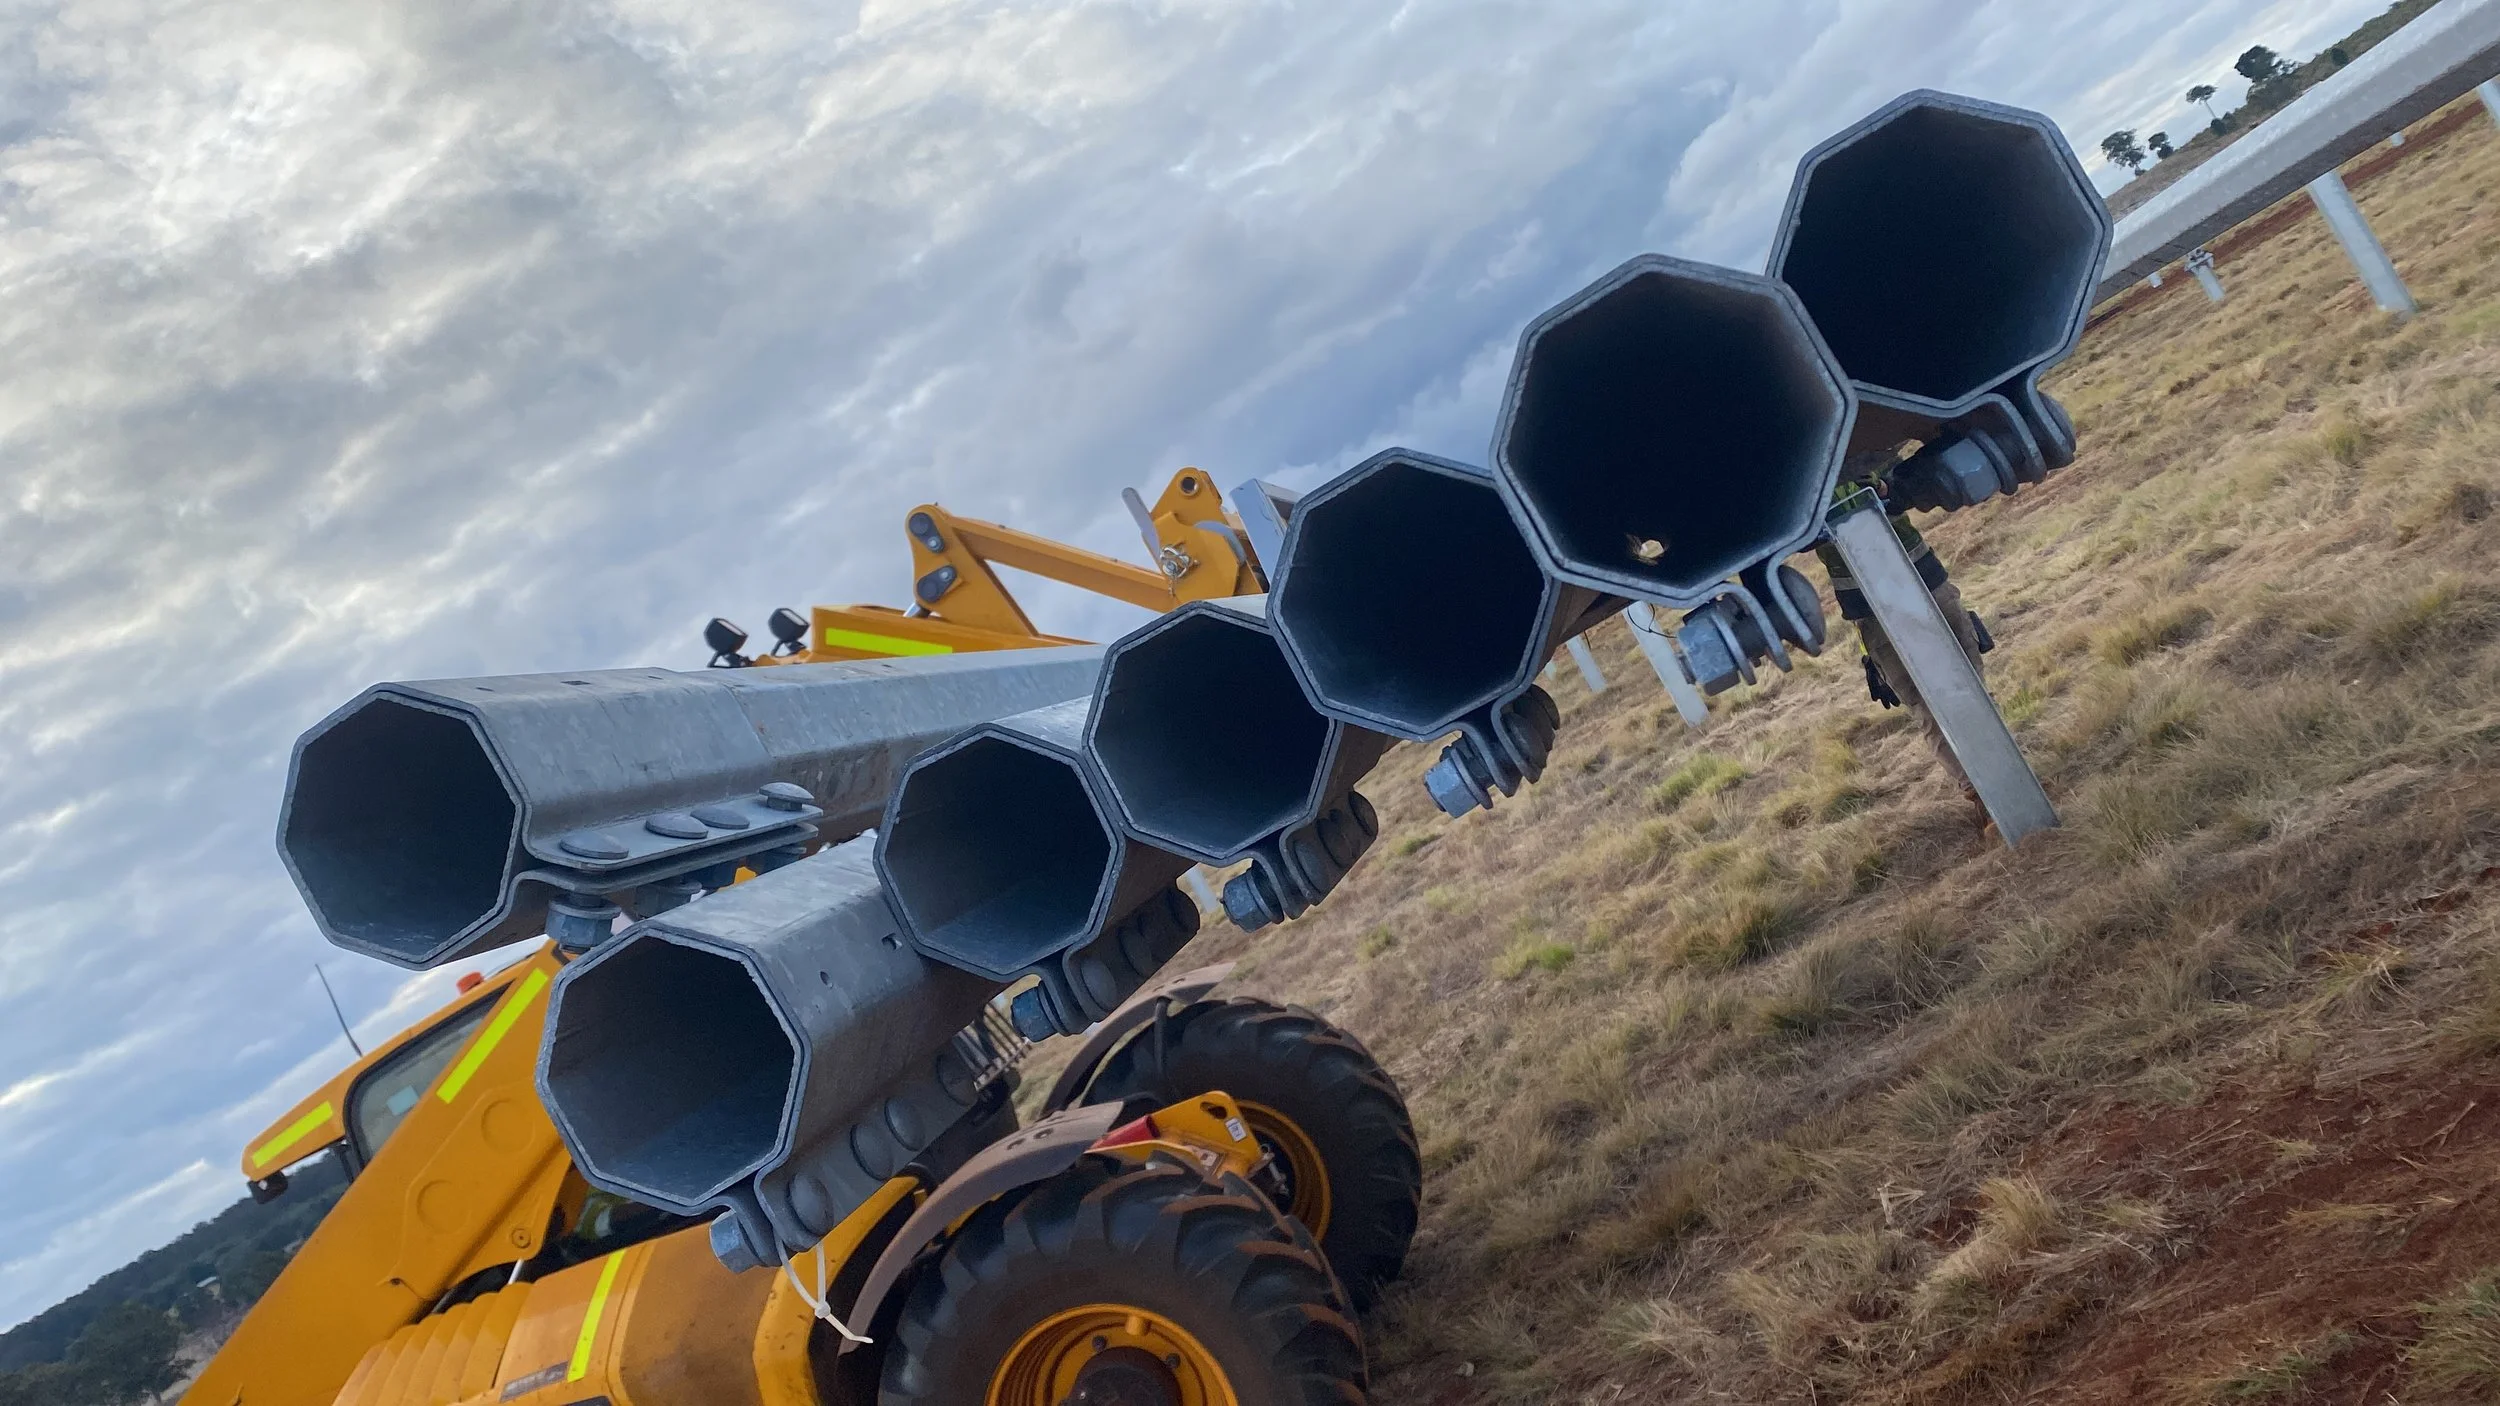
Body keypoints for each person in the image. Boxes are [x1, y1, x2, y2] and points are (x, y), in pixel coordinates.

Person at [1813, 454, 1994, 825]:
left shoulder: (1863, 439)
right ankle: (1981, 795)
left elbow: (1911, 482)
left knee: (1970, 681)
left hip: (1924, 579)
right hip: (1872, 608)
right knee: (1925, 702)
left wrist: (1883, 488)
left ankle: (1998, 768)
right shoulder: (1792, 477)